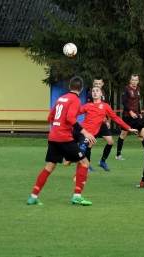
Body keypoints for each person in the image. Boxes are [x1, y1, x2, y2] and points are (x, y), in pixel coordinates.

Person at [27, 76, 97, 206]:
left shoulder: (61, 99)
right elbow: (70, 117)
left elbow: (50, 117)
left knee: (49, 167)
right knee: (84, 163)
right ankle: (77, 196)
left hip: (53, 136)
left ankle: (33, 196)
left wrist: (58, 126)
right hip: (64, 138)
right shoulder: (75, 100)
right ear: (81, 89)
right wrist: (85, 132)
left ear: (69, 87)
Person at [65, 86, 138, 175]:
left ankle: (78, 161)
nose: (95, 92)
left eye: (97, 91)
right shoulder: (88, 105)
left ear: (101, 94)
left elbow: (115, 118)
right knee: (78, 147)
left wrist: (128, 128)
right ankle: (76, 163)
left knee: (106, 143)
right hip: (83, 131)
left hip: (92, 132)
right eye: (93, 91)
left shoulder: (105, 106)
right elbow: (75, 113)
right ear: (91, 94)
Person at [115, 74, 144, 160]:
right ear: (130, 80)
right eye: (133, 80)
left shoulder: (138, 89)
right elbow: (124, 102)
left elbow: (137, 102)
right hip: (127, 116)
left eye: (136, 80)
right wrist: (130, 112)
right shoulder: (126, 89)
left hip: (137, 116)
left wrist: (140, 114)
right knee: (123, 134)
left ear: (138, 81)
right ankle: (118, 154)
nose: (134, 81)